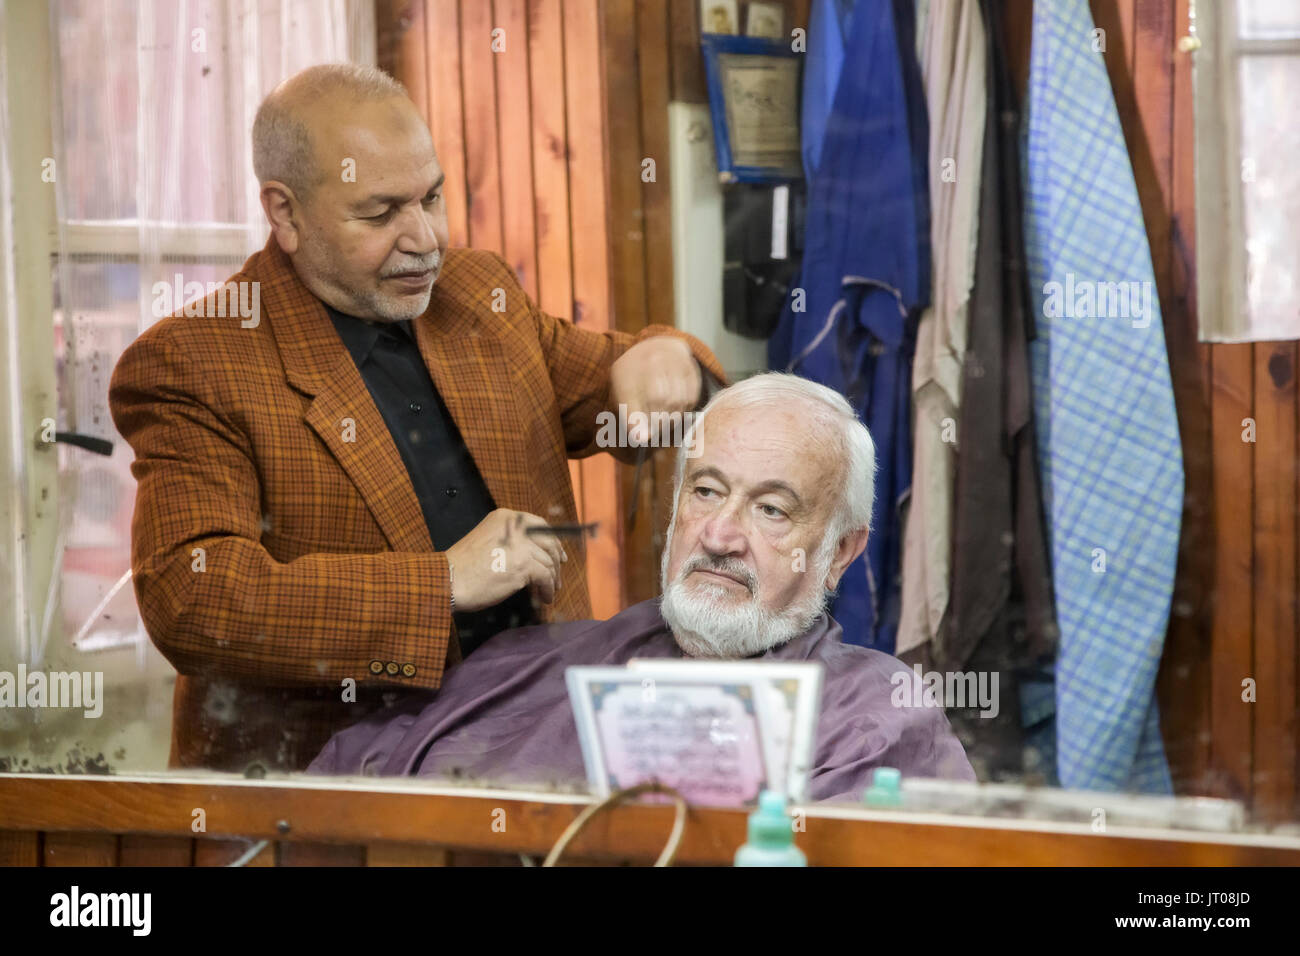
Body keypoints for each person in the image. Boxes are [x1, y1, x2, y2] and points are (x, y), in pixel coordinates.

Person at [108, 64, 723, 773]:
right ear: (285, 213)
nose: (426, 238)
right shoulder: (198, 361)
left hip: (543, 757)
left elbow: (625, 391)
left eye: (433, 197)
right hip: (322, 800)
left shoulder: (476, 294)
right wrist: (443, 583)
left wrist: (669, 363)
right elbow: (195, 595)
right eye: (380, 213)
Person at [309, 373, 976, 801]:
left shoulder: (875, 720)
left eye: (771, 509)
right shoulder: (530, 666)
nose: (719, 534)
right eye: (706, 491)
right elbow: (316, 803)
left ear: (840, 552)